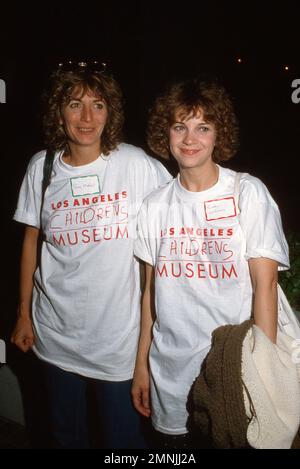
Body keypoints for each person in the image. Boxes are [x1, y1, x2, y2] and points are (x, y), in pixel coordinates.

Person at [11, 60, 172, 449]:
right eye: (75, 104)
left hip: (118, 345)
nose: (87, 117)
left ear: (110, 112)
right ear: (58, 112)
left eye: (98, 105)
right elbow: (31, 240)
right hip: (55, 338)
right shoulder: (42, 167)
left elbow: (182, 202)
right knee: (66, 438)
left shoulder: (133, 164)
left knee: (123, 444)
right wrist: (23, 314)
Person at [131, 77, 289, 448]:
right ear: (165, 132)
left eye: (203, 127)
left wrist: (261, 375)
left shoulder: (247, 193)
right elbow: (150, 294)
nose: (190, 139)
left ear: (219, 134)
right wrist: (141, 367)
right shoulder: (155, 205)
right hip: (169, 370)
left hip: (230, 369)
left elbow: (264, 288)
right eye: (179, 126)